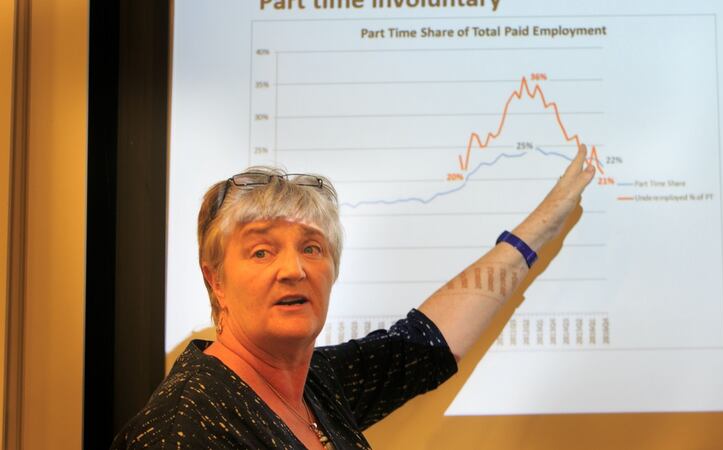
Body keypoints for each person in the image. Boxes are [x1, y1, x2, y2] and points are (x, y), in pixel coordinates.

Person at [111, 145, 595, 449]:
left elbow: (425, 344)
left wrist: (545, 222)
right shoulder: (179, 430)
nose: (294, 269)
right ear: (215, 279)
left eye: (312, 248)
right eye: (261, 251)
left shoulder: (314, 386)